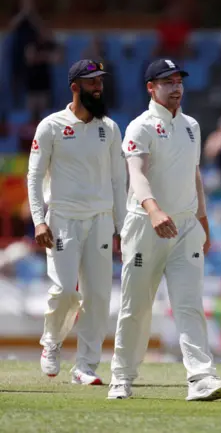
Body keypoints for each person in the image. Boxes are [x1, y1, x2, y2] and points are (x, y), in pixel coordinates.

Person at [108, 60, 221, 402]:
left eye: (179, 80)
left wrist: (203, 219)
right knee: (137, 306)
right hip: (145, 225)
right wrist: (154, 210)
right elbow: (136, 175)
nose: (176, 87)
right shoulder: (140, 127)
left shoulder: (192, 125)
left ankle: (200, 377)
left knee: (189, 304)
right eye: (167, 82)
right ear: (151, 88)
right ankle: (121, 377)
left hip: (184, 226)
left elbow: (194, 175)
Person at [27, 59, 126, 385]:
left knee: (98, 296)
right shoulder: (51, 126)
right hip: (62, 220)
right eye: (91, 82)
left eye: (100, 81)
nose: (98, 87)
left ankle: (86, 366)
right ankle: (52, 343)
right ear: (75, 87)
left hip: (99, 219)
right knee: (66, 290)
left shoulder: (109, 129)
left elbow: (117, 180)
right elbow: (35, 176)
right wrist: (40, 220)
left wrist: (121, 229)